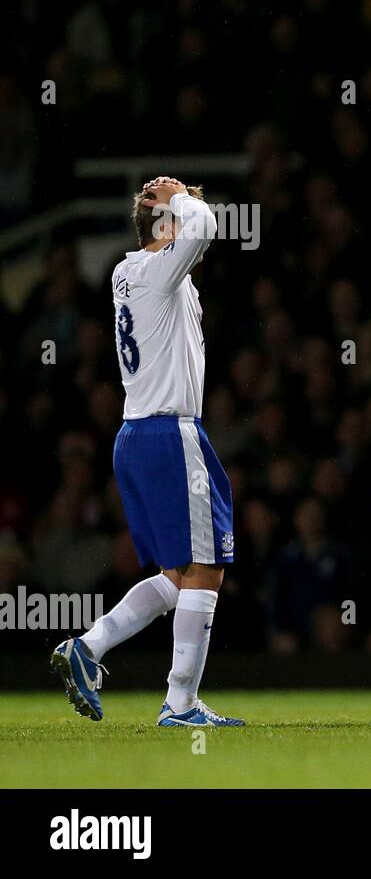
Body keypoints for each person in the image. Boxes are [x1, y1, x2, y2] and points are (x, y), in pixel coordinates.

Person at [52, 176, 245, 728]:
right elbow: (205, 227)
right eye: (177, 213)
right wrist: (177, 198)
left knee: (177, 575)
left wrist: (171, 205)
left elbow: (199, 233)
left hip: (137, 435)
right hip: (169, 434)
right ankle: (181, 703)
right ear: (165, 224)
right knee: (206, 569)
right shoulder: (157, 271)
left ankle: (88, 648)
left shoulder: (130, 272)